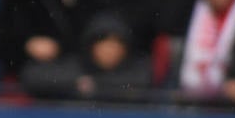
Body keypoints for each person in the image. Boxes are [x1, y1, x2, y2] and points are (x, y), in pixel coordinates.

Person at [20, 10, 152, 100]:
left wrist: (94, 85)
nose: (109, 51)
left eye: (116, 45)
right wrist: (76, 83)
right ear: (91, 47)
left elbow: (141, 83)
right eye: (104, 44)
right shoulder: (75, 65)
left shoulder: (138, 67)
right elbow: (32, 77)